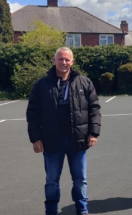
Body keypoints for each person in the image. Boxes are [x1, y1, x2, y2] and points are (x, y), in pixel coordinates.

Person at [26, 47, 101, 215]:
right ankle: (51, 211)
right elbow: (32, 113)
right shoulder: (41, 85)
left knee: (80, 180)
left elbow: (94, 108)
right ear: (54, 61)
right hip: (52, 141)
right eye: (60, 59)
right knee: (52, 181)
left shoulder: (84, 82)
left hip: (78, 140)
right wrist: (35, 139)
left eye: (67, 59)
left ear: (72, 62)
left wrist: (93, 133)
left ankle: (82, 210)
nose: (64, 63)